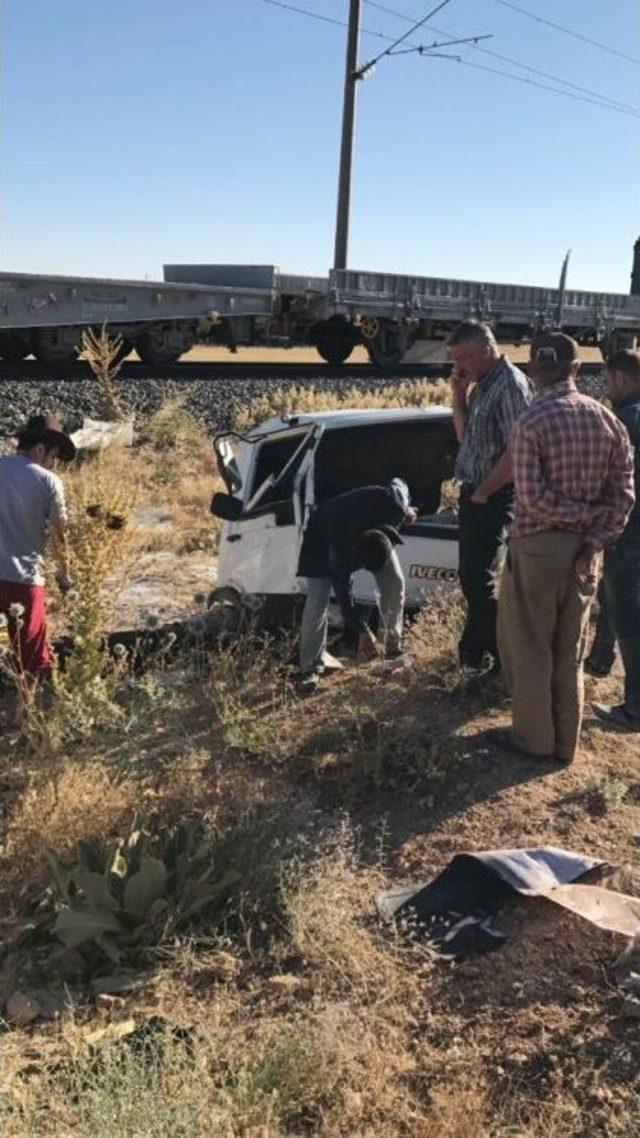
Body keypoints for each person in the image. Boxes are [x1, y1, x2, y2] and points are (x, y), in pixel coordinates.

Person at [498, 333, 635, 764]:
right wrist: (593, 534)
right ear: (577, 369)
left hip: (537, 546)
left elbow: (533, 499)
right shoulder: (609, 421)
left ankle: (533, 741)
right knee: (570, 647)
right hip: (586, 551)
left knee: (531, 645)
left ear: (532, 373)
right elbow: (624, 498)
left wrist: (577, 517)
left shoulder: (530, 422)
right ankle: (565, 746)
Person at [449, 320, 532, 670]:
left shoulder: (510, 385)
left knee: (478, 578)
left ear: (485, 350)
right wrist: (458, 395)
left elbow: (518, 451)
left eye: (463, 359)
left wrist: (483, 493)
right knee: (472, 577)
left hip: (494, 494)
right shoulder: (482, 384)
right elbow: (466, 439)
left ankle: (500, 656)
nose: (459, 368)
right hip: (476, 492)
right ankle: (477, 654)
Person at [297, 478, 416, 689]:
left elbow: (399, 482)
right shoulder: (340, 552)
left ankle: (392, 649)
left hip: (370, 530)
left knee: (394, 582)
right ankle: (310, 668)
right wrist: (362, 631)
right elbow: (344, 594)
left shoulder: (393, 503)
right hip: (320, 537)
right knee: (317, 601)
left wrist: (406, 509)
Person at [0, 413, 76, 680]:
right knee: (32, 658)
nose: (54, 464)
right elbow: (59, 533)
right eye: (53, 456)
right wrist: (64, 576)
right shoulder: (48, 481)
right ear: (41, 448)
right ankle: (30, 714)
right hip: (24, 579)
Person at [593, 349, 640, 730]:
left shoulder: (624, 422)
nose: (606, 388)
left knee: (628, 620)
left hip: (628, 536)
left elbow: (614, 486)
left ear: (621, 379)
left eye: (607, 380)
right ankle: (599, 661)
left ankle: (635, 708)